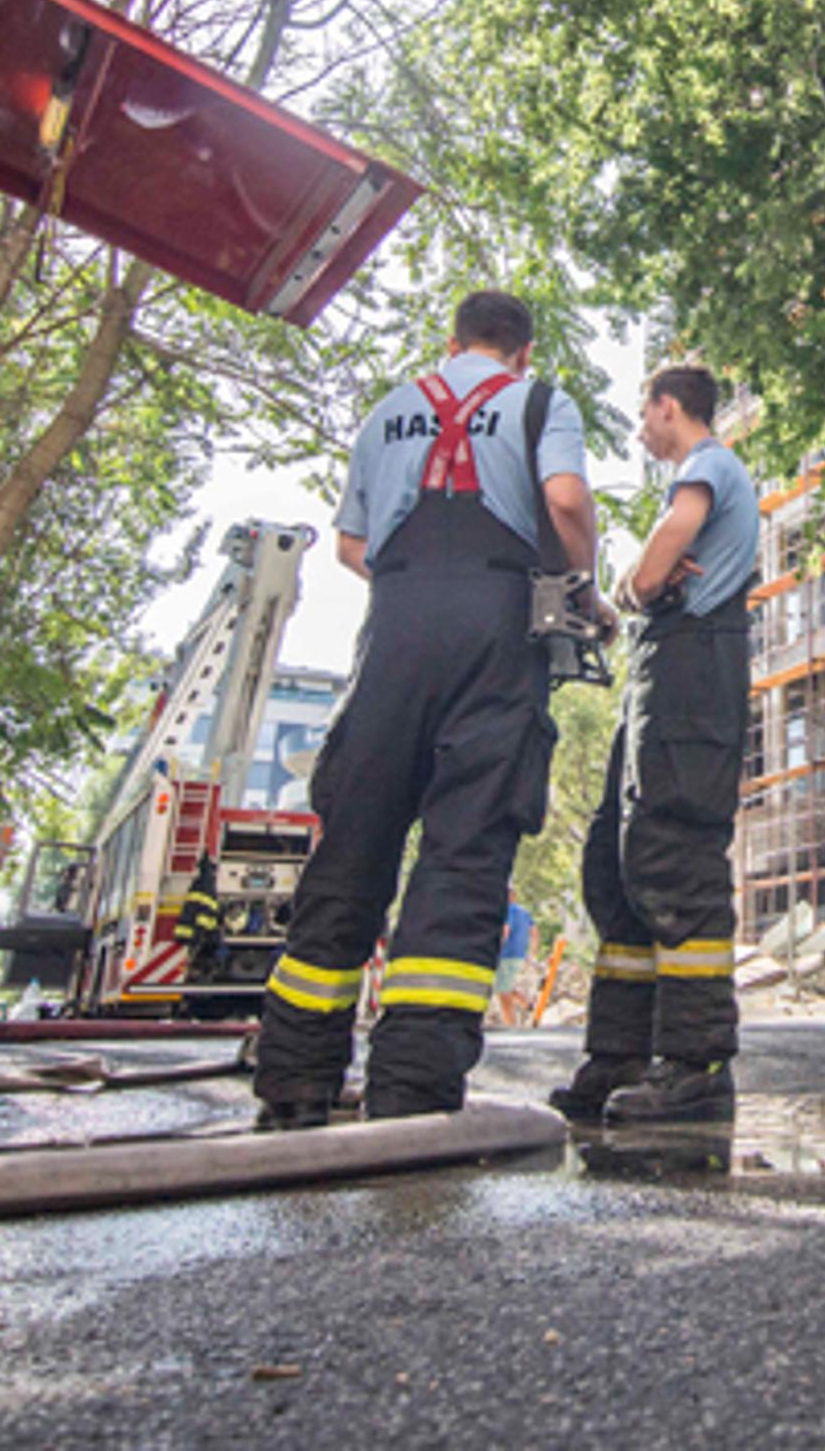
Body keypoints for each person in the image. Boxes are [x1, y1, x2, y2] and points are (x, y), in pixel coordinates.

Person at [254, 290, 606, 1128]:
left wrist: (419, 594)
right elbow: (563, 502)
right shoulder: (541, 402)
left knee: (354, 844)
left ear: (451, 343)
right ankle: (413, 1084)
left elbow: (350, 545)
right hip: (497, 629)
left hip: (394, 631)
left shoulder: (388, 411)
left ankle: (297, 1075)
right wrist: (579, 590)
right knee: (464, 848)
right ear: (523, 353)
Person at [551, 363, 759, 1126]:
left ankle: (698, 1066)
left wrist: (638, 587)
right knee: (619, 860)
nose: (641, 431)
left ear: (670, 408)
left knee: (675, 855)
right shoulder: (708, 471)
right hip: (662, 672)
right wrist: (634, 598)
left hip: (691, 671)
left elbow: (667, 546)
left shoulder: (707, 467)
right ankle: (620, 1054)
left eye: (645, 416)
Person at [179, 856, 227, 985]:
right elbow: (207, 911)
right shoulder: (208, 885)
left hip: (194, 932)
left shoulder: (201, 883)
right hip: (201, 933)